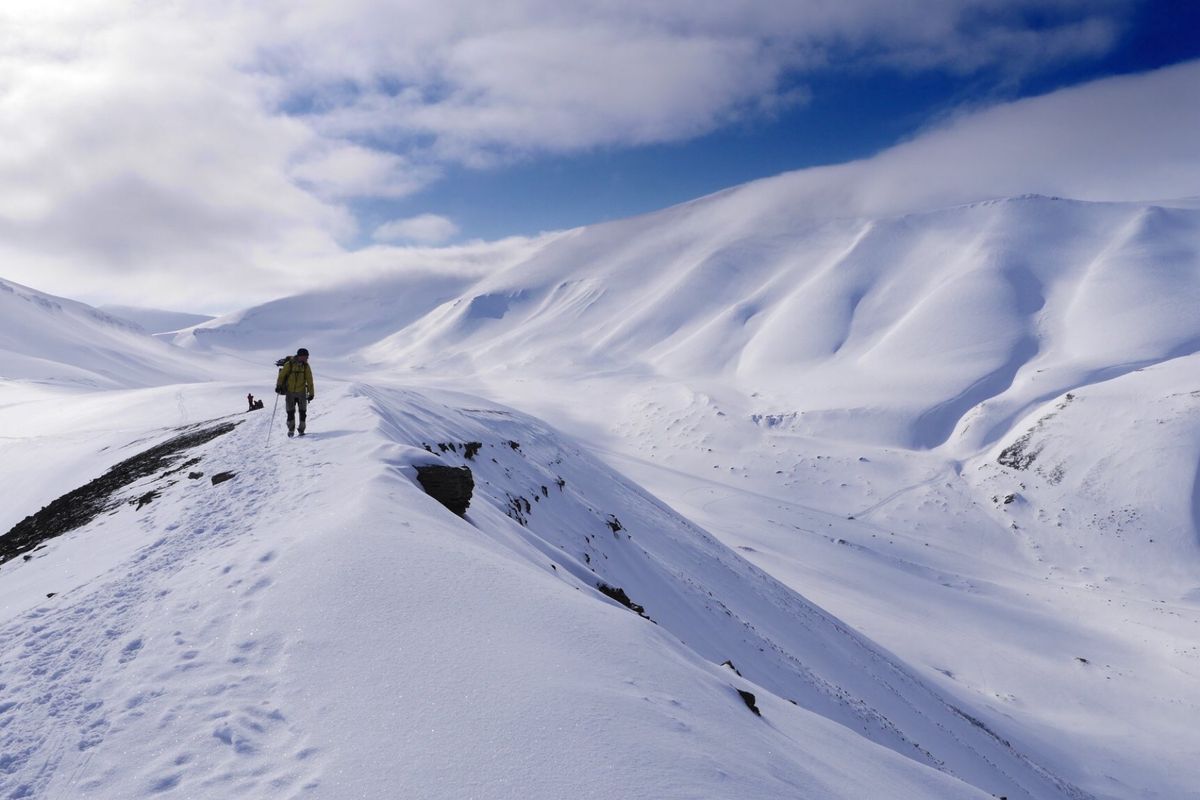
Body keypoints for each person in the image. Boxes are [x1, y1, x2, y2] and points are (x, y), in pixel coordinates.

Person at [275, 347, 315, 437]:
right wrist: (278, 386)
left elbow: (310, 380)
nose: (307, 358)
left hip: (302, 392)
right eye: (306, 356)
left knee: (303, 412)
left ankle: (301, 430)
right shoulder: (289, 364)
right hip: (290, 392)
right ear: (300, 356)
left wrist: (311, 393)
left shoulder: (306, 366)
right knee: (290, 412)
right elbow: (281, 376)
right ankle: (291, 430)